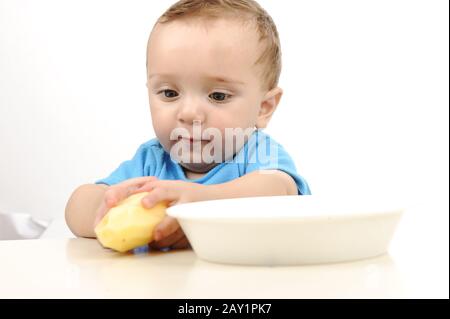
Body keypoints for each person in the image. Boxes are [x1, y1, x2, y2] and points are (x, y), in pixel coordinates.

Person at [65, 0, 311, 250]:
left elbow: (279, 192)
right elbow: (76, 205)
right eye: (170, 93)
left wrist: (202, 203)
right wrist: (104, 206)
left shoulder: (258, 153)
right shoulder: (153, 161)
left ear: (263, 107)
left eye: (218, 96)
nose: (189, 113)